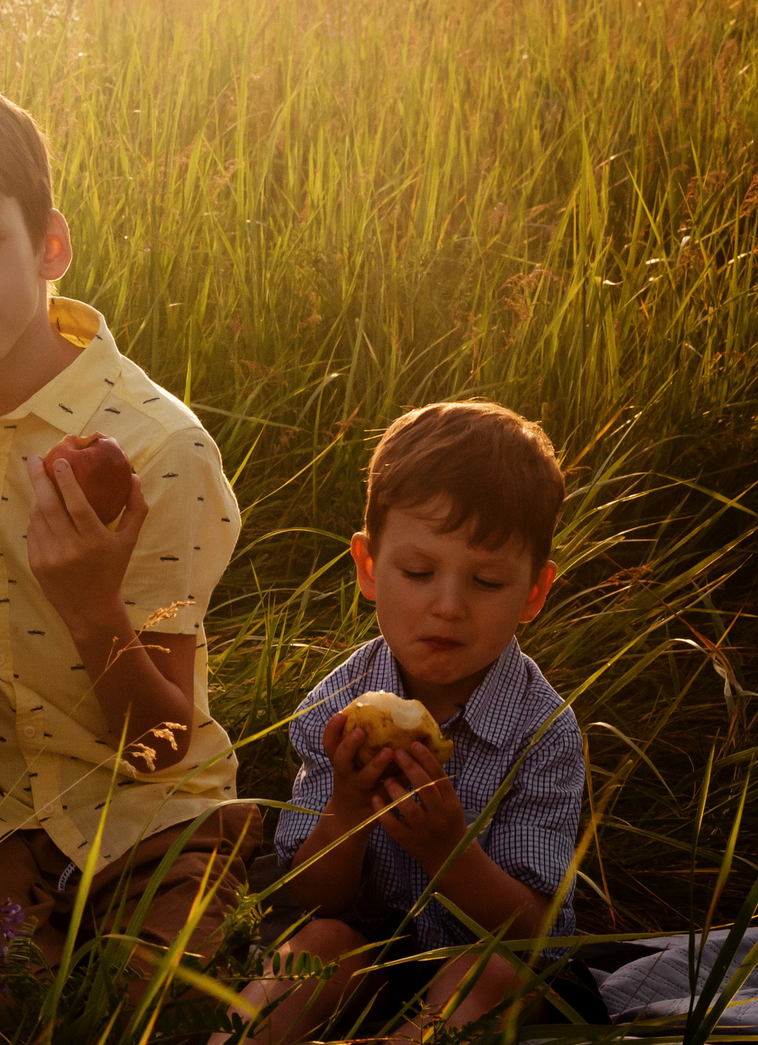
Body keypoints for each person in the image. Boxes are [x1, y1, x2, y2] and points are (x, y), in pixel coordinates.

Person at [0, 81, 256, 1001]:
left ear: (51, 245)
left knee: (157, 1009)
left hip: (147, 824)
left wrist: (89, 607)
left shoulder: (159, 449)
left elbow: (158, 745)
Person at [228, 401, 583, 1044]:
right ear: (368, 568)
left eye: (485, 581)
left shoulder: (542, 732)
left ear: (534, 592)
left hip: (481, 956)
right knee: (312, 950)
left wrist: (446, 848)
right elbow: (314, 900)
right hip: (362, 941)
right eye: (418, 573)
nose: (447, 606)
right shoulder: (340, 704)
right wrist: (346, 804)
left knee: (493, 977)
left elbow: (537, 930)